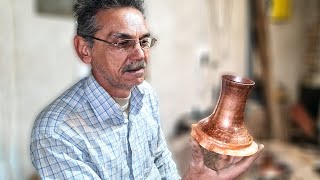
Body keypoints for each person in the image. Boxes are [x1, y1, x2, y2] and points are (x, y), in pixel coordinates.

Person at [30, 0, 264, 179]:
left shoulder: (145, 96)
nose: (140, 54)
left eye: (144, 41)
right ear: (85, 49)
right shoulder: (56, 131)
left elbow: (161, 163)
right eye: (122, 42)